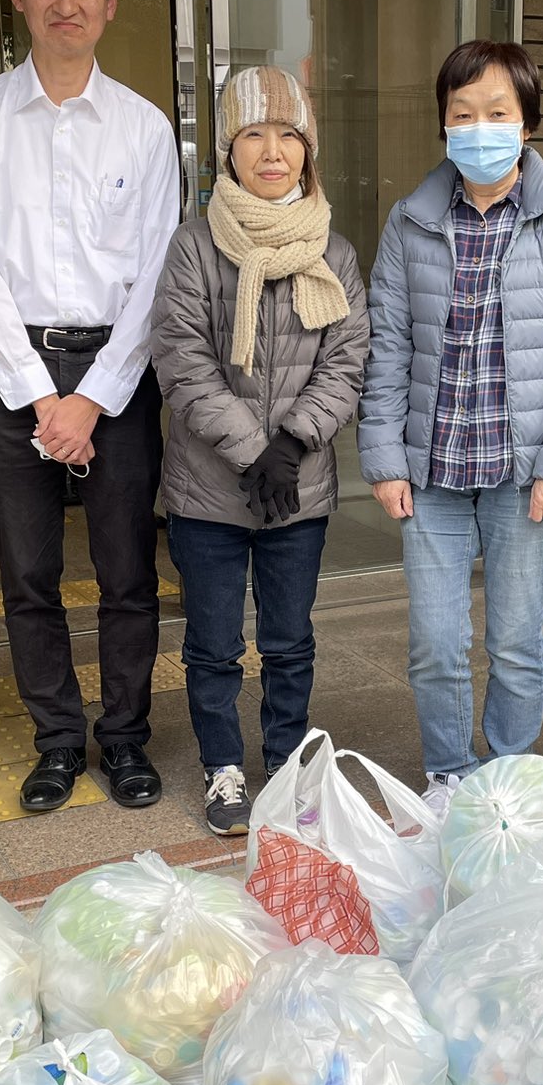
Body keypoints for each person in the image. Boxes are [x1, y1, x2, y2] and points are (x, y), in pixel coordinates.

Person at [0, 0, 180, 813]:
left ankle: (123, 738)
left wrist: (97, 396)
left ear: (111, 3)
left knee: (126, 573)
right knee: (28, 575)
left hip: (118, 374)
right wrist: (44, 397)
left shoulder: (145, 129)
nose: (65, 2)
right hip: (11, 378)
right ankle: (56, 739)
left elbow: (160, 274)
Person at [360, 39, 543, 813]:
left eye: (497, 113)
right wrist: (383, 458)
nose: (479, 128)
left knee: (514, 643)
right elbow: (387, 348)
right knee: (437, 645)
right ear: (444, 126)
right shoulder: (409, 224)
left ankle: (506, 777)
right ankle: (446, 774)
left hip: (524, 472)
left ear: (526, 124)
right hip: (431, 472)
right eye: (463, 114)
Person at [151, 67, 370, 836]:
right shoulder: (195, 245)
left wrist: (295, 440)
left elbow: (348, 360)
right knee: (212, 643)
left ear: (307, 150)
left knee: (289, 639)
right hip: (210, 487)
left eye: (287, 135)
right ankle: (223, 769)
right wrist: (253, 448)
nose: (271, 150)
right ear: (228, 151)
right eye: (252, 134)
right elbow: (179, 356)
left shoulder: (333, 252)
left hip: (298, 488)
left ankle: (284, 762)